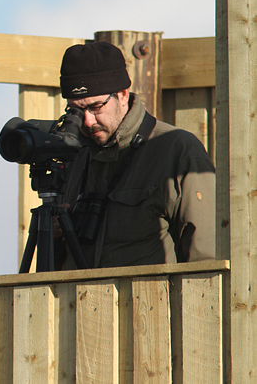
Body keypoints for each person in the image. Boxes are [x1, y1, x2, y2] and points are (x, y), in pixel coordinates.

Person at [57, 42, 216, 269]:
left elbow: (206, 261)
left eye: (96, 107)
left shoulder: (177, 150)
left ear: (122, 95)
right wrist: (56, 236)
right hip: (77, 303)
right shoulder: (75, 157)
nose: (87, 121)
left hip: (152, 302)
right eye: (76, 110)